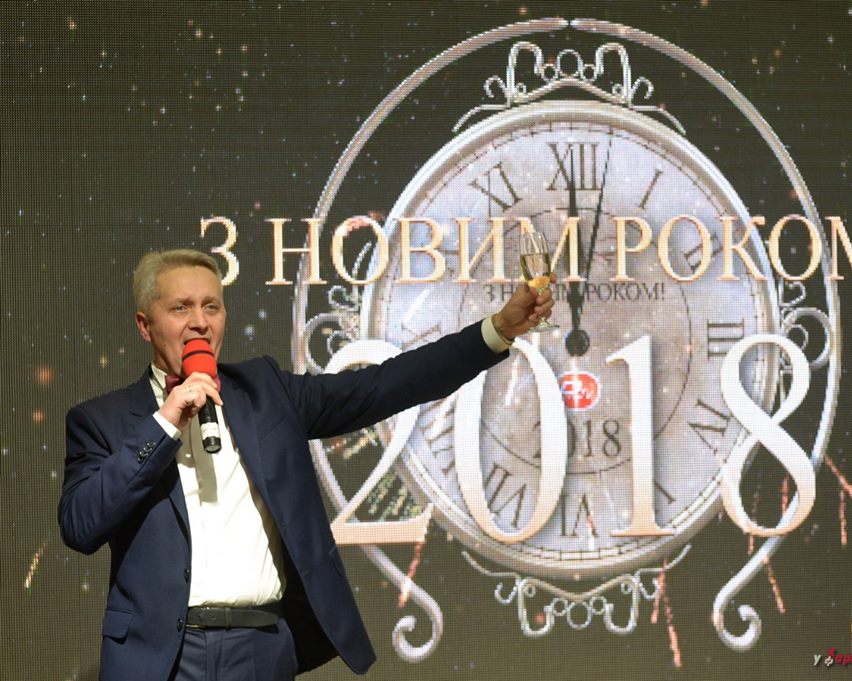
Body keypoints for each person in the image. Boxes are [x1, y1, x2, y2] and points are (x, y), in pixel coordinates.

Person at [58, 249, 554, 681]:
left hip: (259, 647)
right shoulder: (101, 421)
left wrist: (496, 331)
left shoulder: (265, 393)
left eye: (212, 306)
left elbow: (383, 386)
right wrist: (165, 423)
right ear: (145, 324)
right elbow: (81, 525)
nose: (200, 322)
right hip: (162, 656)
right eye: (180, 308)